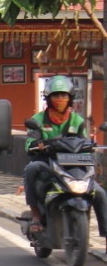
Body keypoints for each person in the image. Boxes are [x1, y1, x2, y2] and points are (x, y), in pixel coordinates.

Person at [23, 75, 107, 236]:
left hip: (74, 164)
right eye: (56, 95)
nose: (60, 99)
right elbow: (29, 142)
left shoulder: (77, 120)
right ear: (48, 98)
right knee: (32, 168)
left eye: (64, 95)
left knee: (100, 193)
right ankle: (36, 214)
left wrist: (90, 144)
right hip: (48, 162)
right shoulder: (38, 120)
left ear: (70, 98)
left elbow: (84, 141)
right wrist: (36, 145)